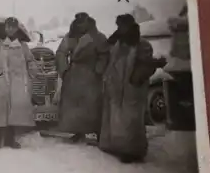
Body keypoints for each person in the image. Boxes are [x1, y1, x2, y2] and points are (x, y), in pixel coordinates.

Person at [99, 14, 167, 163]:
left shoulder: (142, 45)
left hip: (132, 87)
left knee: (131, 119)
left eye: (122, 26)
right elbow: (107, 55)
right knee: (116, 117)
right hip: (116, 86)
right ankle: (116, 146)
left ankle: (132, 151)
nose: (119, 29)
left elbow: (146, 64)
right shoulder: (118, 43)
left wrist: (138, 77)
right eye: (118, 26)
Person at [0, 17, 40, 149]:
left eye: (13, 27)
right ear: (4, 27)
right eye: (8, 26)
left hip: (17, 84)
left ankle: (9, 139)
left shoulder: (22, 45)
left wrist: (32, 71)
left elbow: (30, 60)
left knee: (14, 112)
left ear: (17, 28)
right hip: (0, 82)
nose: (10, 29)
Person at [55, 12, 109, 143]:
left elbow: (104, 54)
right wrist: (64, 70)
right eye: (78, 22)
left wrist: (98, 69)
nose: (80, 24)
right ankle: (78, 131)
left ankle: (98, 131)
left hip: (91, 75)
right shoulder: (70, 36)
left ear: (88, 21)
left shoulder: (98, 37)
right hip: (74, 75)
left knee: (93, 105)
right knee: (75, 105)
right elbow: (61, 52)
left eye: (83, 21)